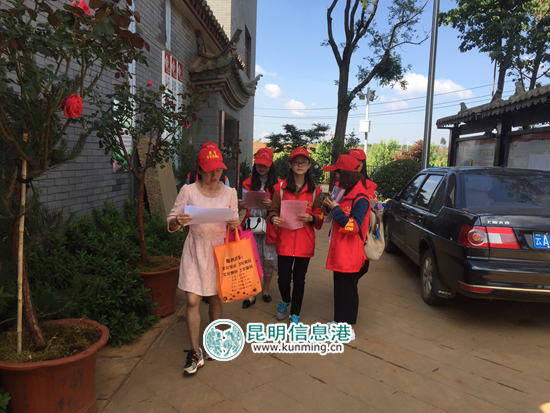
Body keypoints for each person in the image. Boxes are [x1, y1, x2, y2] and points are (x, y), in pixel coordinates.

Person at [167, 146, 239, 376]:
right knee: (192, 300)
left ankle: (214, 341)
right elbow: (171, 221)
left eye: (218, 169)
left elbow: (235, 222)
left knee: (215, 297)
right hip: (195, 249)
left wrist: (235, 224)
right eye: (209, 170)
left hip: (218, 252)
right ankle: (194, 351)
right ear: (199, 169)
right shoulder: (188, 191)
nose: (214, 174)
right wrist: (177, 221)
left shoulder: (230, 193)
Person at [322, 154, 377, 341]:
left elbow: (353, 227)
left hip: (351, 252)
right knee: (340, 287)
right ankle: (339, 321)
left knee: (348, 290)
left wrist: (337, 209)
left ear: (345, 174)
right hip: (340, 250)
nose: (335, 176)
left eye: (337, 172)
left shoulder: (360, 198)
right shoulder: (344, 192)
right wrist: (330, 207)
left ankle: (348, 328)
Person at [268, 147, 324, 324]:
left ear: (309, 165)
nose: (300, 165)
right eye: (296, 162)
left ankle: (295, 312)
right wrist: (273, 218)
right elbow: (272, 211)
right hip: (285, 240)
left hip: (304, 242)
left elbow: (319, 214)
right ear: (290, 165)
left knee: (299, 280)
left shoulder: (315, 191)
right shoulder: (280, 189)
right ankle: (285, 300)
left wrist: (312, 217)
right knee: (283, 279)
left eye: (303, 162)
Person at [239, 147, 282, 308]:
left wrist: (273, 204)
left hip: (270, 224)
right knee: (252, 257)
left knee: (269, 258)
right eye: (258, 164)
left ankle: (265, 290)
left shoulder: (279, 185)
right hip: (252, 223)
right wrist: (241, 204)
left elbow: (284, 207)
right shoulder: (247, 182)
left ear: (271, 165)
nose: (261, 168)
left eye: (265, 165)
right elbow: (245, 203)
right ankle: (252, 292)